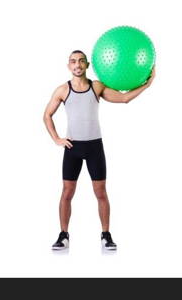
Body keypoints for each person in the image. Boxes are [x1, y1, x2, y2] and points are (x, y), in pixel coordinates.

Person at [43, 50, 155, 250]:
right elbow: (47, 115)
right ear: (69, 65)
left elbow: (124, 99)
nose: (77, 65)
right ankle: (63, 235)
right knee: (67, 192)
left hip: (94, 146)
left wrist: (147, 84)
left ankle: (106, 235)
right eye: (73, 62)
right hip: (73, 147)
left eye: (81, 61)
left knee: (101, 192)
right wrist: (57, 139)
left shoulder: (97, 86)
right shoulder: (62, 90)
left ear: (87, 65)